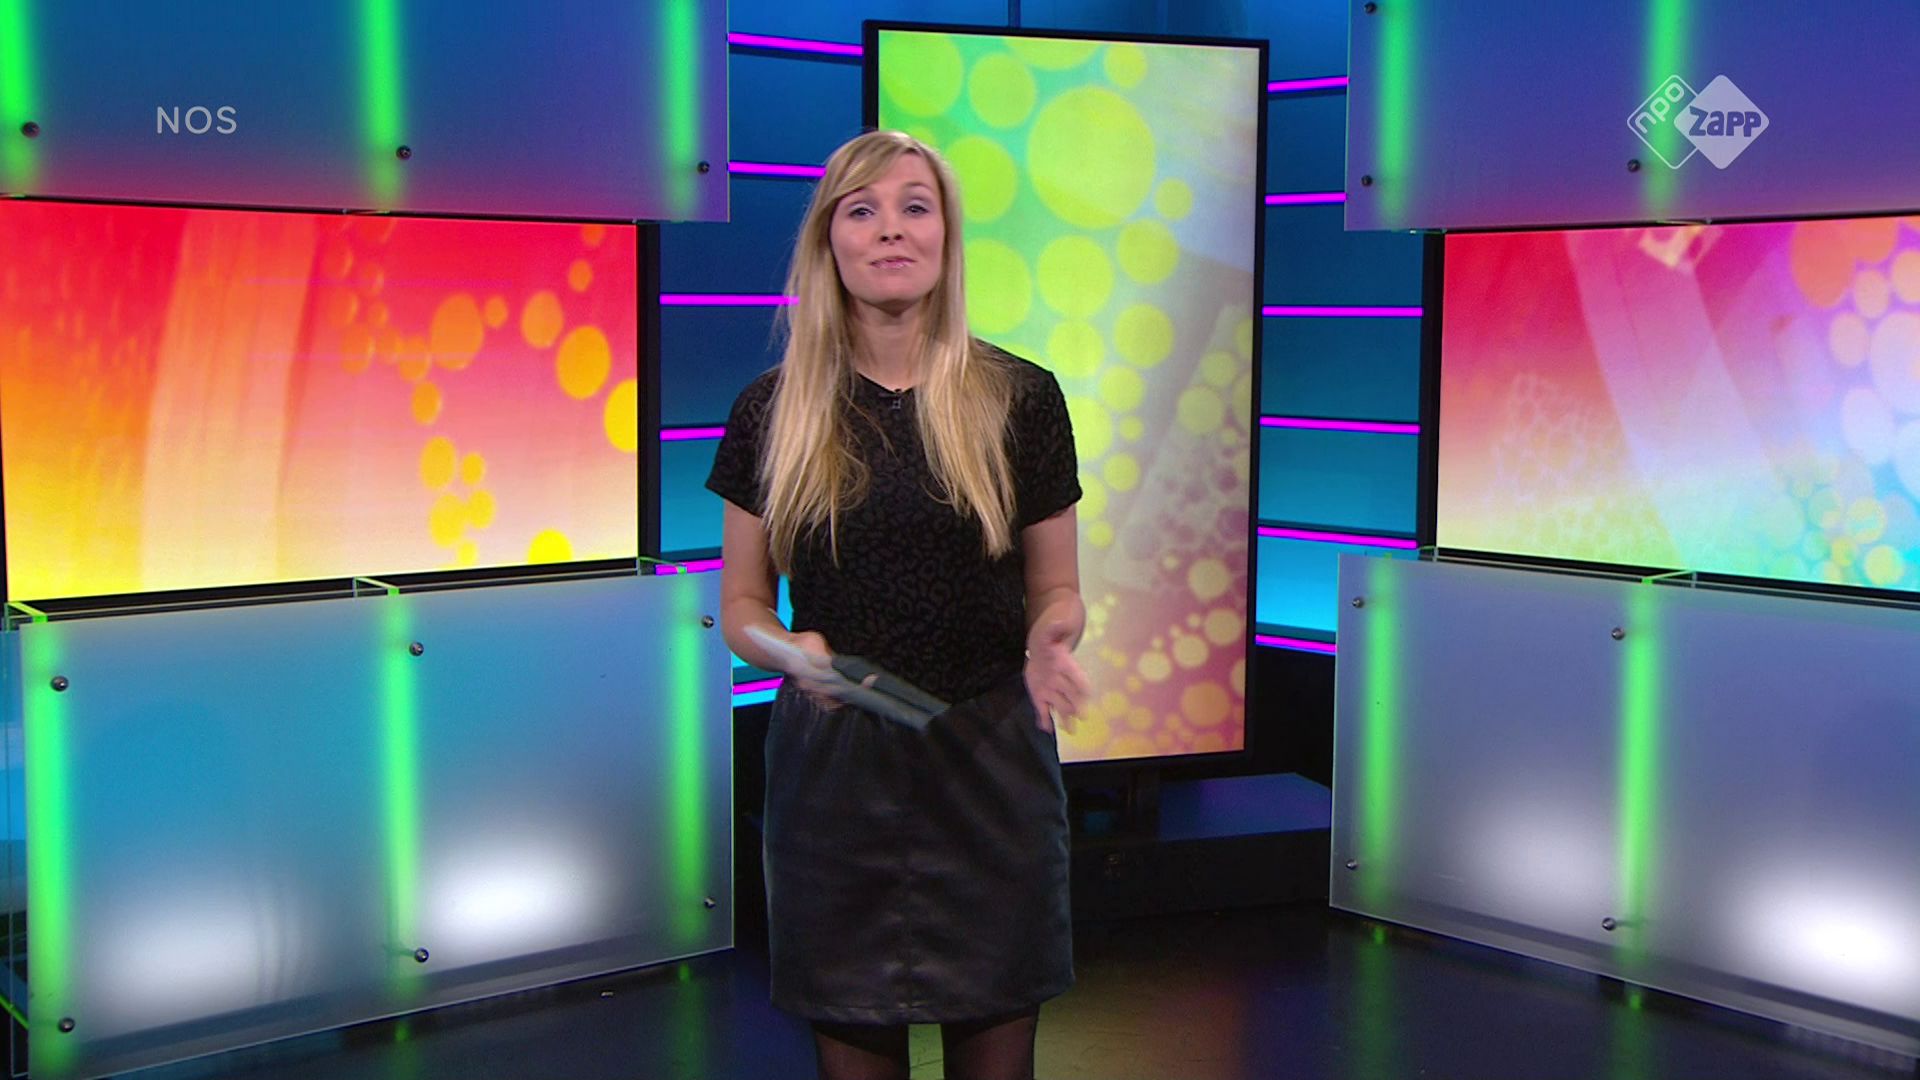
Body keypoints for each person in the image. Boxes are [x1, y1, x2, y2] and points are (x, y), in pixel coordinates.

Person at [706, 129, 1091, 1080]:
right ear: (828, 241)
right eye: (863, 210)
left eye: (915, 208)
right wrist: (789, 653)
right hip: (837, 779)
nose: (891, 230)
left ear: (946, 237)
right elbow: (743, 603)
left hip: (989, 762)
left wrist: (1052, 638)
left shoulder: (1021, 398)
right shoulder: (770, 411)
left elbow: (1056, 588)